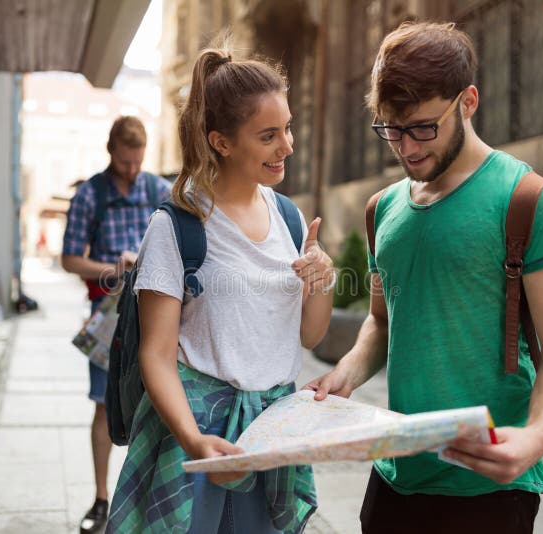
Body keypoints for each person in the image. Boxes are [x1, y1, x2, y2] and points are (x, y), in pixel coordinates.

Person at [304, 21, 543, 534]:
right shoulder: (381, 210)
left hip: (489, 489)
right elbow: (381, 322)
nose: (406, 147)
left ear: (469, 101)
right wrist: (346, 372)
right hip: (393, 479)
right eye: (391, 128)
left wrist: (537, 437)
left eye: (422, 127)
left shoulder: (529, 202)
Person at [105, 46, 334, 534]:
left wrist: (322, 281)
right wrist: (191, 439)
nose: (287, 146)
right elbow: (157, 354)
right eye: (268, 136)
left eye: (288, 128)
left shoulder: (290, 219)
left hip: (272, 433)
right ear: (222, 142)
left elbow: (310, 337)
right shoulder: (178, 226)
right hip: (196, 434)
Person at [61, 116, 172, 534]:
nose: (130, 170)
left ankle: (146, 498)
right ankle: (101, 499)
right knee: (105, 405)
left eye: (137, 162)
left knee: (158, 401)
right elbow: (70, 259)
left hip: (156, 310)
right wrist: (113, 266)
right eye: (124, 162)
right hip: (107, 313)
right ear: (111, 153)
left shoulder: (159, 190)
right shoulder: (90, 194)